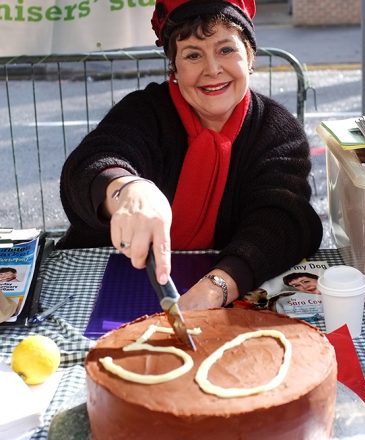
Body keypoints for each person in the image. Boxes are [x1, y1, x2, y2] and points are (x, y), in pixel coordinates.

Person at [58, 0, 322, 310]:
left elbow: (282, 221)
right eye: (193, 55)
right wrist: (128, 189)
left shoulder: (275, 129)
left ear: (249, 56)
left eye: (226, 50)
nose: (212, 70)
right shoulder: (144, 111)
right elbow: (91, 163)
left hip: (218, 290)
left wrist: (219, 286)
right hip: (103, 284)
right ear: (175, 66)